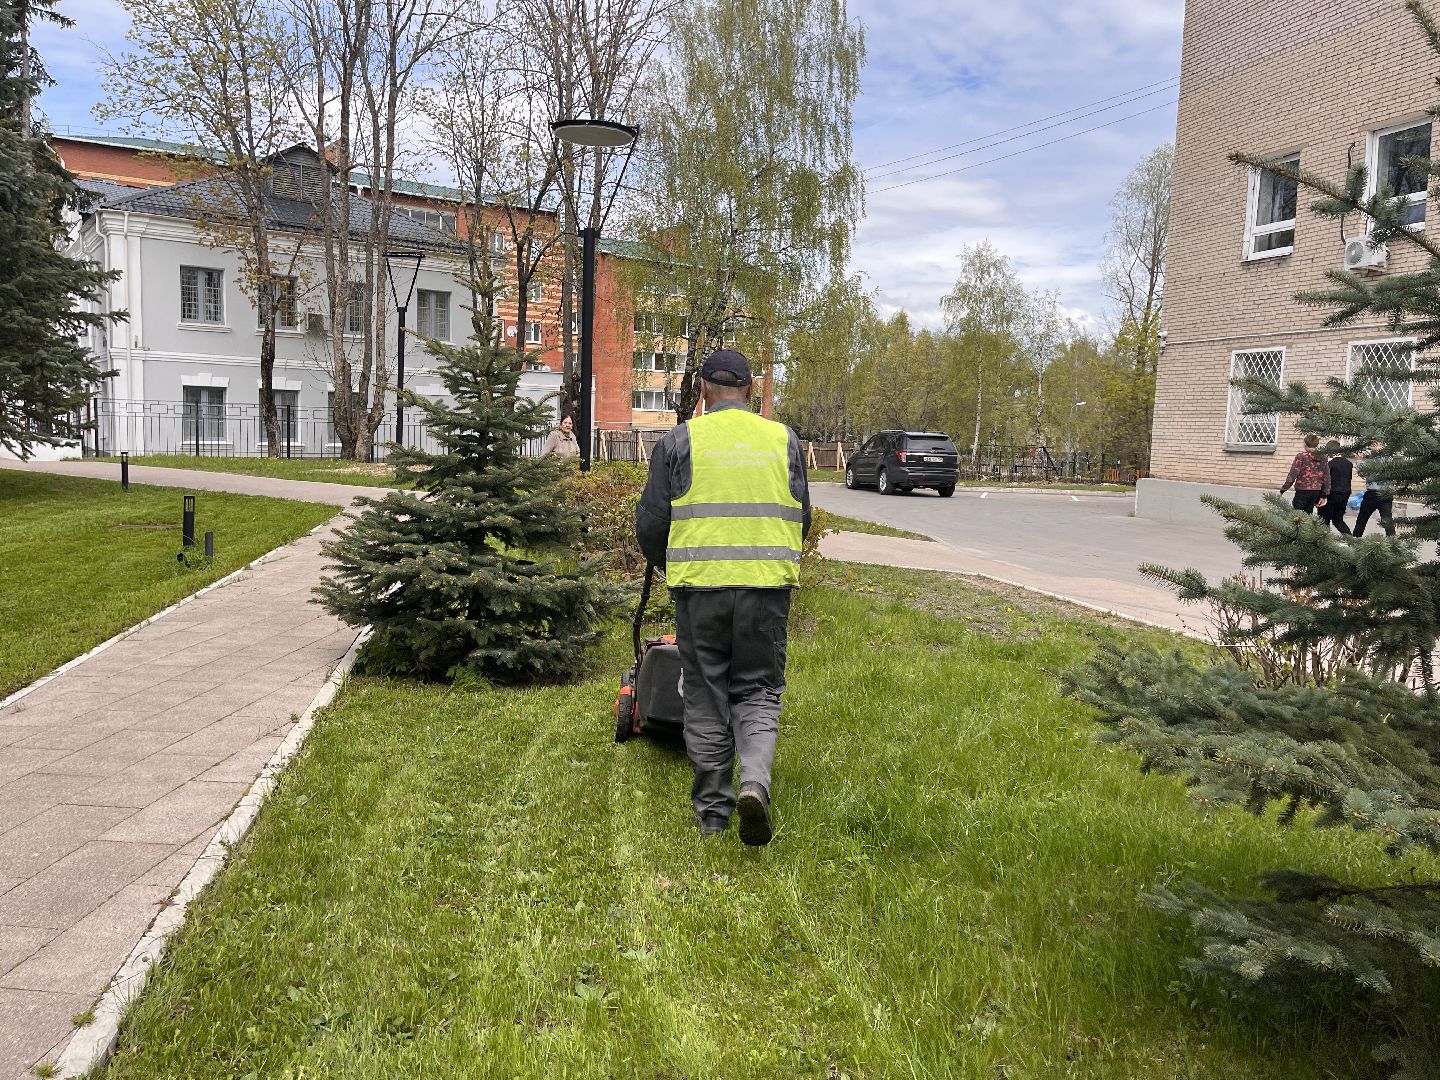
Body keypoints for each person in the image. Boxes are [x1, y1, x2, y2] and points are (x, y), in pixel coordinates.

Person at [634, 349, 810, 846]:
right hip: (766, 588)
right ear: (750, 392)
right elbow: (804, 516)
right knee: (758, 689)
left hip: (701, 588)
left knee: (707, 694)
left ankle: (714, 815)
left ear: (704, 391)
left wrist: (673, 562)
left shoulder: (679, 441)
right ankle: (754, 781)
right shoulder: (784, 440)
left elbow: (652, 524)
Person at [1279, 432, 1329, 513]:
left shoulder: (1301, 456)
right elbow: (1326, 477)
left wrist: (1283, 489)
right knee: (1308, 514)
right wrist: (1324, 494)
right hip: (1316, 491)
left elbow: (1292, 475)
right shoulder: (1323, 458)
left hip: (1302, 490)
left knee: (1297, 515)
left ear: (1305, 444)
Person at [1355, 446, 1397, 537]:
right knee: (1387, 520)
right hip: (1386, 493)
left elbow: (1363, 473)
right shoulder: (1390, 460)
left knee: (1362, 519)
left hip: (1373, 493)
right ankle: (1393, 542)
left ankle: (1355, 539)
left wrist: (1359, 460)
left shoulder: (1372, 461)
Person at [1319, 441, 1353, 534]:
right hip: (1344, 494)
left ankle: (1324, 542)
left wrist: (1321, 495)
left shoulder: (1329, 464)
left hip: (1331, 495)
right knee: (1338, 520)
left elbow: (1325, 481)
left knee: (1323, 520)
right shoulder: (1349, 464)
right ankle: (1350, 539)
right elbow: (1349, 478)